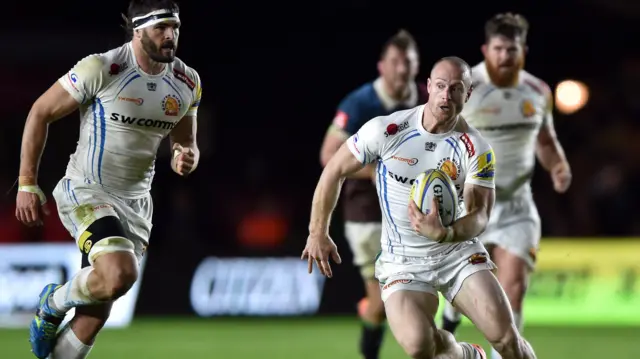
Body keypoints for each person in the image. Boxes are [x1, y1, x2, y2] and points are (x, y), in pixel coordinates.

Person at [303, 57, 538, 359]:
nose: (446, 95)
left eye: (456, 89)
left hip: (457, 254)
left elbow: (480, 216)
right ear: (428, 87)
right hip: (403, 261)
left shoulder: (476, 148)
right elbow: (334, 169)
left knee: (507, 340)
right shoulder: (388, 130)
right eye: (440, 86)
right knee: (419, 345)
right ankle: (466, 354)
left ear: (467, 95)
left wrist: (445, 233)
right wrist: (317, 231)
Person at [16, 1, 202, 358]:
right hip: (88, 189)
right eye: (161, 28)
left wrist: (185, 157)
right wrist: (27, 183)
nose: (170, 36)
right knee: (119, 274)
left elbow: (184, 143)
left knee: (94, 314)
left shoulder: (187, 81)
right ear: (138, 29)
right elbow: (40, 112)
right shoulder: (102, 67)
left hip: (136, 204)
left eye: (175, 28)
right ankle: (52, 303)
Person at [440, 14, 571, 359]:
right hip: (469, 203)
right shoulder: (467, 88)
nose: (504, 57)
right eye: (498, 49)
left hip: (516, 206)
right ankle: (451, 315)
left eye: (511, 50)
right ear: (485, 49)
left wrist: (557, 164)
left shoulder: (538, 91)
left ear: (523, 51)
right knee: (466, 288)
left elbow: (545, 140)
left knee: (513, 288)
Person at [318, 29, 427, 359]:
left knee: (426, 294)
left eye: (408, 62)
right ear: (382, 66)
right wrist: (384, 172)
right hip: (367, 212)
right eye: (395, 62)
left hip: (416, 213)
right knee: (382, 305)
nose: (401, 69)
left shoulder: (426, 98)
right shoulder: (360, 102)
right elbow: (328, 156)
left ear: (417, 65)